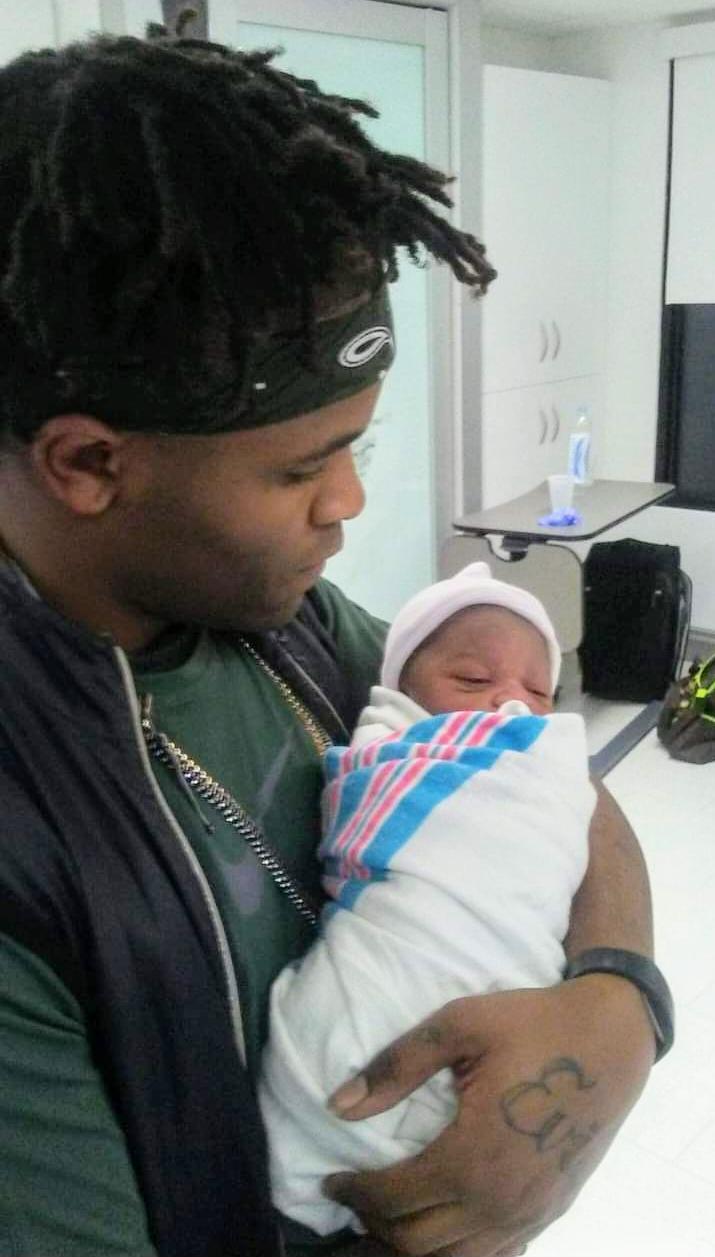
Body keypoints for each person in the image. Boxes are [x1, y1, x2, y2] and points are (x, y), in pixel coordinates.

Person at [0, 28, 670, 1257]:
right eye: (301, 468)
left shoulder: (276, 611)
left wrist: (618, 1002)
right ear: (89, 462)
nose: (348, 505)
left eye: (356, 448)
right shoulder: (24, 837)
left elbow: (538, 766)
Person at [260, 562, 596, 1238]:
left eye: (539, 690)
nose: (511, 705)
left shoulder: (315, 613)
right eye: (471, 680)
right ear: (401, 692)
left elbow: (573, 807)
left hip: (504, 1009)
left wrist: (621, 998)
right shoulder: (395, 749)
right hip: (376, 973)